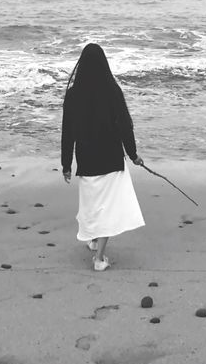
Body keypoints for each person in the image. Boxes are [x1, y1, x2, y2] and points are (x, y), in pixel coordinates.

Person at [60, 42, 145, 271]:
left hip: (86, 162)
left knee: (93, 205)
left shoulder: (73, 95)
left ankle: (94, 241)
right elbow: (125, 126)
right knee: (108, 208)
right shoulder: (112, 90)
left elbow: (67, 132)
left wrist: (66, 164)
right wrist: (134, 154)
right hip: (111, 160)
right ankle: (98, 259)